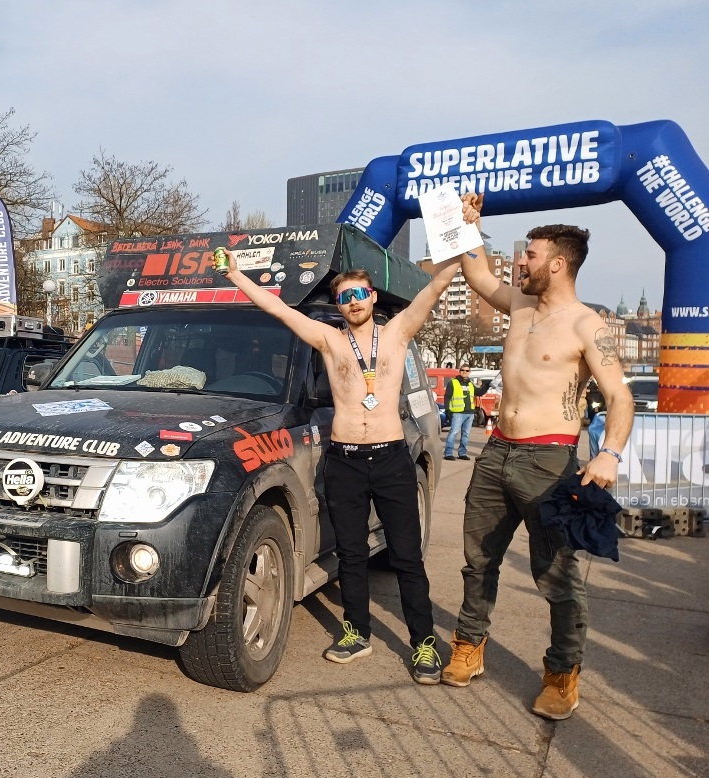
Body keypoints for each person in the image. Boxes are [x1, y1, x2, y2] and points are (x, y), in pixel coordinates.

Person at [221, 251, 463, 684]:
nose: (353, 302)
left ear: (372, 296)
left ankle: (423, 643)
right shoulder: (330, 340)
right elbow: (277, 308)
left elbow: (436, 287)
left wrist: (462, 246)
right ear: (339, 304)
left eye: (359, 294)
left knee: (407, 556)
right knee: (351, 554)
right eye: (345, 297)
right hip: (345, 460)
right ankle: (357, 633)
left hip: (390, 459)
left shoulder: (397, 333)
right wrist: (237, 275)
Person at [442, 194, 634, 721]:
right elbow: (478, 275)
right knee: (478, 561)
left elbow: (620, 396)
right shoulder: (521, 306)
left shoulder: (586, 326)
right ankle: (469, 646)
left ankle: (562, 674)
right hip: (497, 451)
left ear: (557, 264)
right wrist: (470, 225)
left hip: (548, 461)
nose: (520, 263)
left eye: (529, 255)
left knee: (556, 574)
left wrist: (609, 453)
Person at [443, 363, 478, 460]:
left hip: (469, 413)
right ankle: (448, 453)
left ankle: (462, 453)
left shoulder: (471, 384)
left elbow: (479, 392)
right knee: (453, 432)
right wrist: (447, 409)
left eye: (467, 370)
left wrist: (487, 386)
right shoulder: (453, 383)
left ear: (469, 372)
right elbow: (447, 397)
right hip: (458, 413)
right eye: (463, 370)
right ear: (459, 371)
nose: (464, 372)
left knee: (466, 434)